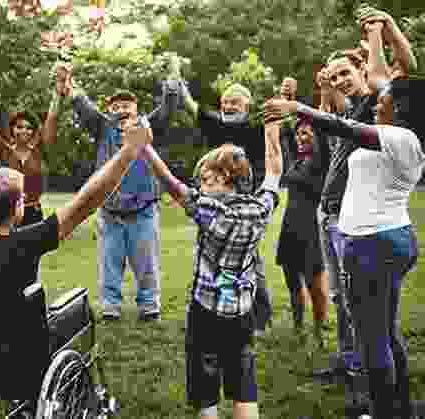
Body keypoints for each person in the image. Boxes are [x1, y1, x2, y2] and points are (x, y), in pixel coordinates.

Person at [0, 90, 152, 399]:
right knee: (77, 307)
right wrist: (128, 153)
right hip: (18, 364)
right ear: (17, 210)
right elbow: (86, 202)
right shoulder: (25, 243)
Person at [265, 23, 423, 417]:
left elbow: (345, 123)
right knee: (385, 332)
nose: (378, 99)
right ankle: (401, 407)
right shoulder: (396, 132)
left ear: (398, 110)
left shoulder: (398, 137)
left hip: (371, 245)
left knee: (372, 339)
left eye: (385, 100)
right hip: (384, 238)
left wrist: (296, 108)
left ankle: (384, 410)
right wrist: (374, 36)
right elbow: (372, 89)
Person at [138, 113, 283, 419]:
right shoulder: (260, 209)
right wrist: (272, 131)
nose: (200, 186)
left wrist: (145, 147)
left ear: (223, 179)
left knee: (205, 387)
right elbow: (274, 171)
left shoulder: (209, 211)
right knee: (244, 379)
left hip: (205, 312)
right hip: (243, 312)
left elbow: (170, 183)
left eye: (205, 180)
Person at [68, 55, 182, 321]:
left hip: (143, 210)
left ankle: (149, 306)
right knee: (110, 263)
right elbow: (82, 105)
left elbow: (169, 106)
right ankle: (110, 307)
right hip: (110, 212)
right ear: (109, 111)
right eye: (115, 106)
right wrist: (69, 83)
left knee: (146, 264)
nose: (120, 110)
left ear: (136, 108)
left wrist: (173, 73)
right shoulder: (102, 127)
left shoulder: (148, 126)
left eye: (126, 105)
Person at [180, 81, 272, 335]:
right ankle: (211, 309)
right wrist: (178, 84)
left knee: (249, 261)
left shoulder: (254, 125)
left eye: (235, 102)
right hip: (214, 200)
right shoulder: (218, 125)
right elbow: (194, 108)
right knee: (210, 255)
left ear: (247, 104)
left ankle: (258, 316)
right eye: (225, 103)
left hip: (243, 203)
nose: (229, 106)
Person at [0, 64, 67, 229]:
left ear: (34, 131)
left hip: (33, 214)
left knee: (32, 255)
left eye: (29, 127)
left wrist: (58, 92)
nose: (24, 131)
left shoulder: (39, 150)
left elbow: (52, 118)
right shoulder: (3, 150)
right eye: (19, 126)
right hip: (6, 214)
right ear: (12, 129)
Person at [275, 116, 330, 346]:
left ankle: (319, 330)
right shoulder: (297, 162)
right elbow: (285, 136)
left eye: (306, 133)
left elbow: (326, 134)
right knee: (292, 282)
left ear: (318, 137)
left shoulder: (321, 162)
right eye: (299, 134)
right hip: (290, 228)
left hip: (310, 230)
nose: (300, 137)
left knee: (314, 285)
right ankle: (298, 326)